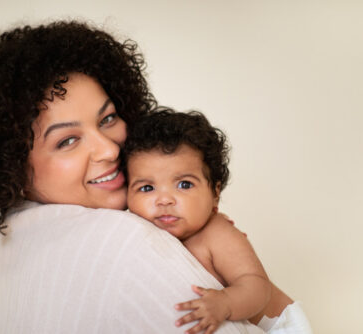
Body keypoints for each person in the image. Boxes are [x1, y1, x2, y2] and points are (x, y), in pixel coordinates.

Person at [0, 21, 264, 333]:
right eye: (67, 141)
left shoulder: (16, 240)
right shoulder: (127, 241)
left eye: (108, 118)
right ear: (9, 166)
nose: (108, 149)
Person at [124, 109, 312, 334]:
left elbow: (257, 286)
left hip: (281, 327)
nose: (164, 200)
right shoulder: (142, 233)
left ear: (215, 193)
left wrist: (224, 303)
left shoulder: (217, 233)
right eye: (147, 188)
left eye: (184, 184)